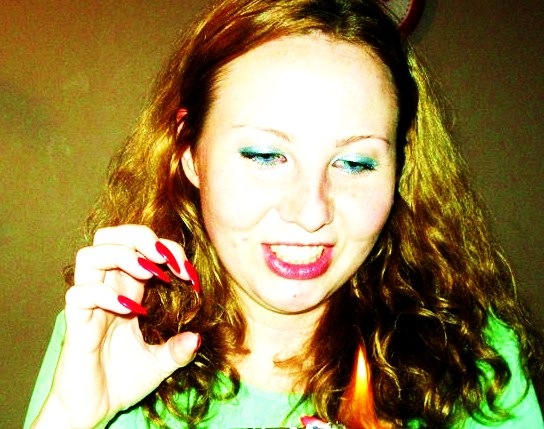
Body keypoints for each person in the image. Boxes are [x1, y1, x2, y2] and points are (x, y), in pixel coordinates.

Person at [24, 0, 544, 427]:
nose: (311, 211)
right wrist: (71, 417)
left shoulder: (473, 360)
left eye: (355, 162)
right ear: (190, 153)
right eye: (265, 155)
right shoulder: (107, 334)